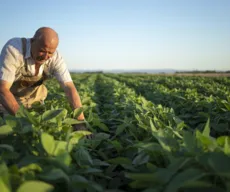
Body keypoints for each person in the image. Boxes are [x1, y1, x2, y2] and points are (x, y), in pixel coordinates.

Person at [0, 27, 87, 131]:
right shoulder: (14, 49)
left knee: (45, 130)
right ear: (32, 41)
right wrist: (25, 121)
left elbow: (69, 87)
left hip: (35, 101)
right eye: (42, 51)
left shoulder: (56, 58)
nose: (46, 56)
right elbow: (2, 89)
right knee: (13, 132)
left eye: (50, 53)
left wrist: (80, 121)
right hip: (9, 101)